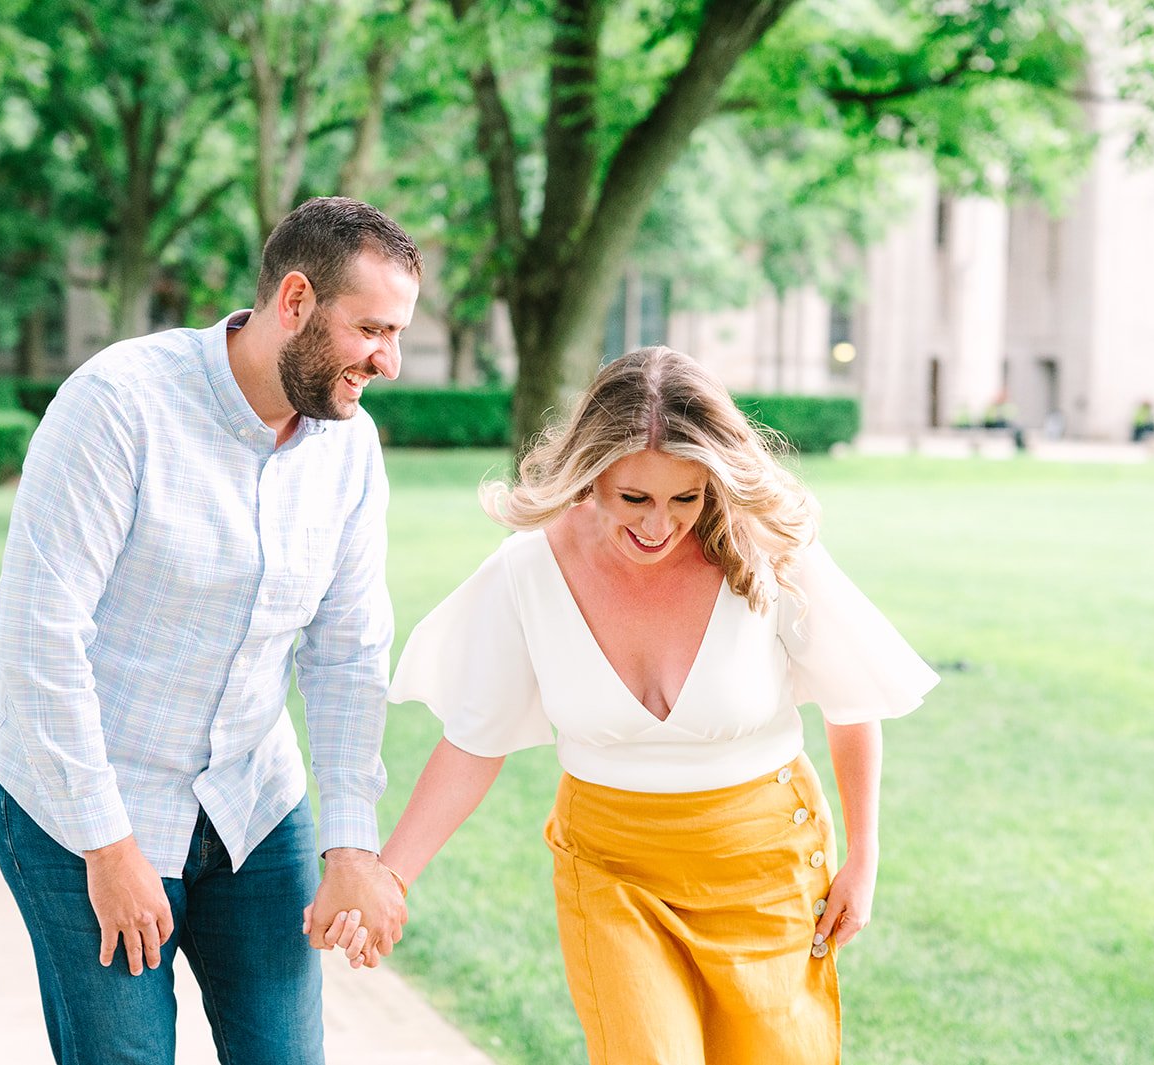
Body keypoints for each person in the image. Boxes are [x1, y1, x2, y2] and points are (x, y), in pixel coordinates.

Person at [335, 347, 939, 1063]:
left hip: (764, 865)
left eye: (686, 499)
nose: (660, 525)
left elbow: (852, 699)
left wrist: (864, 857)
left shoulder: (765, 548)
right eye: (635, 499)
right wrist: (390, 875)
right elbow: (474, 741)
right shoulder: (531, 567)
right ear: (593, 476)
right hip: (611, 869)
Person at [0, 196, 420, 1065]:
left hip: (251, 800)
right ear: (294, 301)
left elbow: (348, 649)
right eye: (371, 328)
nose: (390, 360)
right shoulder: (118, 405)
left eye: (397, 332)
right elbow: (41, 644)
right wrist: (107, 848)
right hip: (87, 802)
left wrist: (352, 843)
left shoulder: (349, 446)